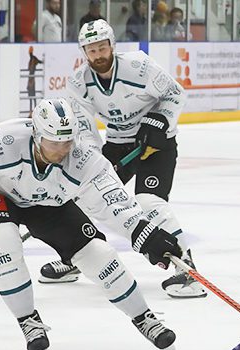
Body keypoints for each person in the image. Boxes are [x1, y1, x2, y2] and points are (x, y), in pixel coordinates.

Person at [0, 99, 182, 350]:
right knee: (1, 242)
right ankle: (28, 320)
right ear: (36, 134)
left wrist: (145, 232)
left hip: (48, 203)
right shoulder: (2, 141)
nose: (62, 150)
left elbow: (114, 201)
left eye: (67, 141)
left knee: (99, 254)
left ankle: (144, 317)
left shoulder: (84, 159)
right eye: (54, 142)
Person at [42, 19, 208, 299]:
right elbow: (84, 129)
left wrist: (160, 121)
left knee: (148, 201)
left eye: (102, 47)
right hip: (119, 145)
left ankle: (187, 268)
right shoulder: (79, 84)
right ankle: (77, 257)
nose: (98, 55)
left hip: (156, 144)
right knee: (82, 196)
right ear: (84, 52)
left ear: (112, 46)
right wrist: (90, 164)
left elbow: (174, 93)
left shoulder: (139, 67)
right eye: (91, 50)